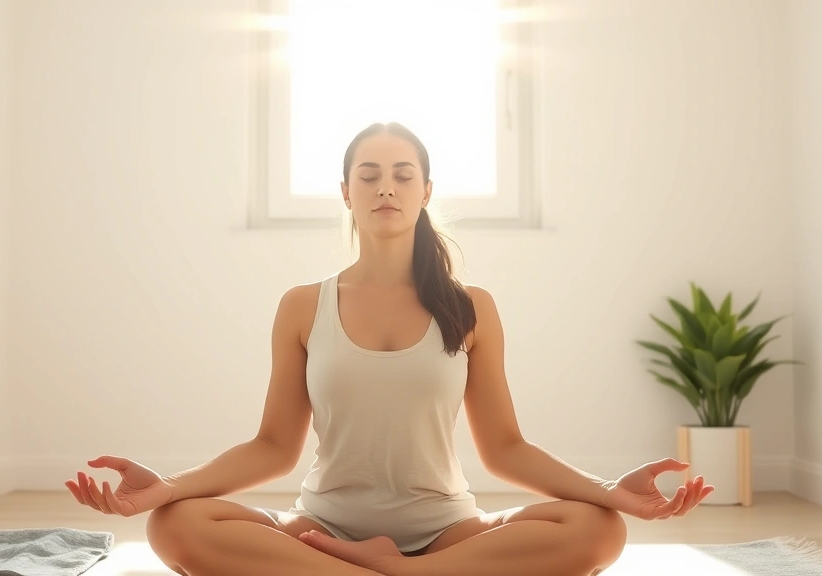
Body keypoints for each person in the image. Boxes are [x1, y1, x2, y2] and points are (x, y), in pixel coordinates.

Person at [65, 122, 715, 576]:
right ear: (345, 191)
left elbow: (506, 449)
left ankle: (404, 571)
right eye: (368, 175)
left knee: (599, 531)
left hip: (447, 530)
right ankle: (394, 574)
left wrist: (610, 494)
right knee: (174, 527)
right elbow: (272, 448)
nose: (385, 187)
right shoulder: (302, 305)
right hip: (323, 530)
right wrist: (164, 491)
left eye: (403, 175)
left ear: (426, 190)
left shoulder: (470, 307)